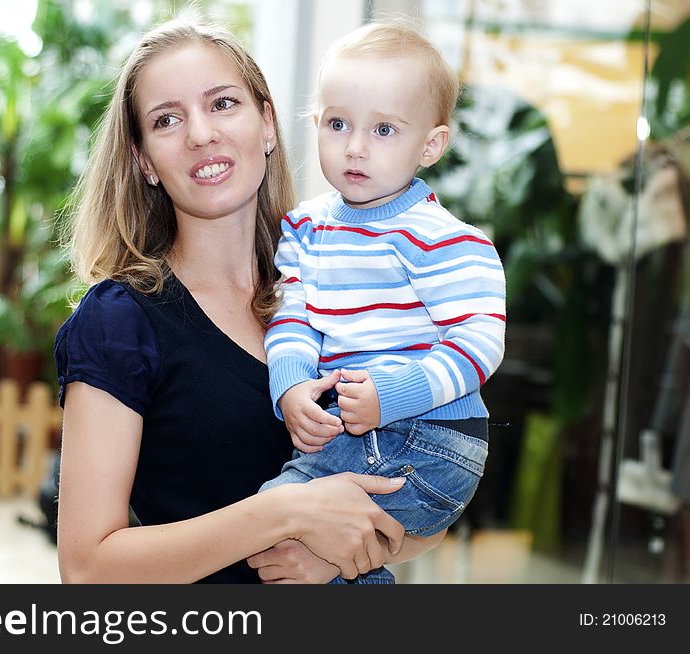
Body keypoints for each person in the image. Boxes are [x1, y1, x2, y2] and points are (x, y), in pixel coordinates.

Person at [54, 19, 447, 584]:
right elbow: (87, 568)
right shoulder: (119, 321)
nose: (199, 134)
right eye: (167, 119)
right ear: (144, 162)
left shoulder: (346, 284)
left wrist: (338, 552)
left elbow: (434, 496)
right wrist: (284, 513)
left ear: (266, 124)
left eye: (222, 104)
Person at [260, 20, 507, 584]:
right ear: (314, 123)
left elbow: (479, 345)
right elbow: (293, 314)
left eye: (384, 130)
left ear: (431, 145)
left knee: (276, 516)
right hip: (363, 432)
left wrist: (390, 396)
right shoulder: (306, 228)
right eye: (339, 123)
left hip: (429, 438)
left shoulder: (444, 238)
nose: (355, 146)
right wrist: (293, 383)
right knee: (316, 550)